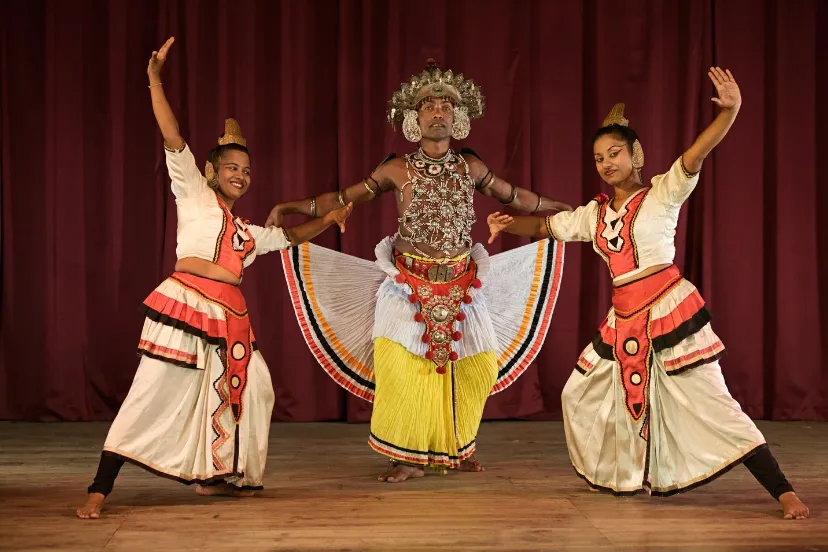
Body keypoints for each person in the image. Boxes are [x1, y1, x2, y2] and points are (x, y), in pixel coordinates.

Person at [486, 67, 809, 520]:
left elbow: (696, 154)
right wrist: (506, 223)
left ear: (636, 153)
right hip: (623, 319)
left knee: (711, 400)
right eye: (599, 158)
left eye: (615, 153)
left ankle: (783, 490)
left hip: (668, 310)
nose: (606, 163)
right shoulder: (594, 216)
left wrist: (730, 111)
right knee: (579, 393)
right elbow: (545, 226)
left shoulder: (663, 193)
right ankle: (629, 474)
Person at [76, 37, 352, 519]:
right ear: (211, 171)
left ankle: (222, 476)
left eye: (246, 170)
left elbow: (287, 236)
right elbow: (171, 133)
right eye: (232, 167)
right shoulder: (193, 194)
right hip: (187, 306)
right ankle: (100, 487)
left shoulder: (247, 232)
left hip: (229, 318)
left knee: (257, 386)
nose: (241, 176)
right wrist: (154, 79)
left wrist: (329, 220)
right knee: (150, 390)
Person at [269, 59, 570, 483]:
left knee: (476, 365)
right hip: (408, 282)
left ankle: (455, 448)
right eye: (428, 105)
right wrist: (292, 207)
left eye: (445, 105)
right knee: (402, 367)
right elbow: (342, 197)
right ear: (414, 118)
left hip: (463, 282)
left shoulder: (470, 166)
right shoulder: (396, 168)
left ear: (457, 116)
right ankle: (407, 458)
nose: (437, 112)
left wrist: (561, 208)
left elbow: (514, 195)